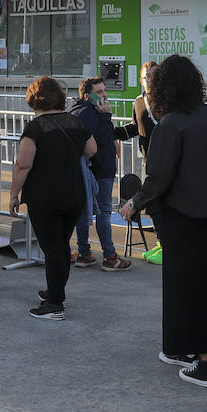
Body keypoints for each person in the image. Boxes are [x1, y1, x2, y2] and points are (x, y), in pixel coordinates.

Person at [118, 56, 207, 388]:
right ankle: (185, 350)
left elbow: (158, 177)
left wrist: (134, 203)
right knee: (205, 288)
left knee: (183, 289)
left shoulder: (171, 125)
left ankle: (201, 361)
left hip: (179, 216)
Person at [8, 76, 94, 321]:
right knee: (62, 245)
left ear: (35, 99)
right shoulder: (75, 123)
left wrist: (14, 195)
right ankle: (55, 291)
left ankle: (55, 304)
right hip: (74, 194)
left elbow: (23, 166)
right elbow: (92, 150)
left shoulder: (36, 128)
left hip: (44, 197)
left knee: (52, 248)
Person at [69, 76, 131, 272]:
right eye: (100, 92)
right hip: (99, 170)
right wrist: (106, 117)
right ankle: (110, 256)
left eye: (105, 90)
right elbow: (100, 139)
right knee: (103, 213)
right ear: (88, 96)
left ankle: (84, 253)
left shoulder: (80, 110)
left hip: (88, 170)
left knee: (83, 212)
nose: (105, 95)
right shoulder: (90, 113)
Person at [114, 60, 162, 263]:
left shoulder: (168, 100)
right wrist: (111, 133)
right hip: (148, 160)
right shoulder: (139, 101)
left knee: (162, 204)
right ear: (141, 80)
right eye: (146, 76)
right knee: (152, 205)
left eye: (153, 75)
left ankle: (166, 246)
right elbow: (136, 127)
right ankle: (161, 244)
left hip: (165, 160)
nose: (149, 79)